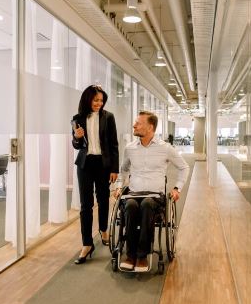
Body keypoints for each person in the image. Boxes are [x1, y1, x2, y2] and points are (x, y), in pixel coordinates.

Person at [115, 111, 189, 272]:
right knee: (130, 206)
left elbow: (184, 167)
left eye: (138, 123)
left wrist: (177, 188)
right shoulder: (130, 148)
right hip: (133, 194)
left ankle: (142, 256)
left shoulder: (165, 148)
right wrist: (119, 187)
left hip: (155, 197)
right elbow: (123, 170)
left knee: (147, 205)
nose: (134, 125)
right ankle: (130, 254)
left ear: (150, 127)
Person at [72, 85, 119, 264]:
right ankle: (86, 244)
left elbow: (114, 144)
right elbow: (76, 145)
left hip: (103, 164)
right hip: (84, 164)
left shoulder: (109, 117)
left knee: (103, 199)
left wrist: (114, 169)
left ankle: (104, 230)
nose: (99, 103)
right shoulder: (77, 118)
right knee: (86, 205)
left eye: (101, 100)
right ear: (88, 99)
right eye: (96, 100)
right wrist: (76, 137)